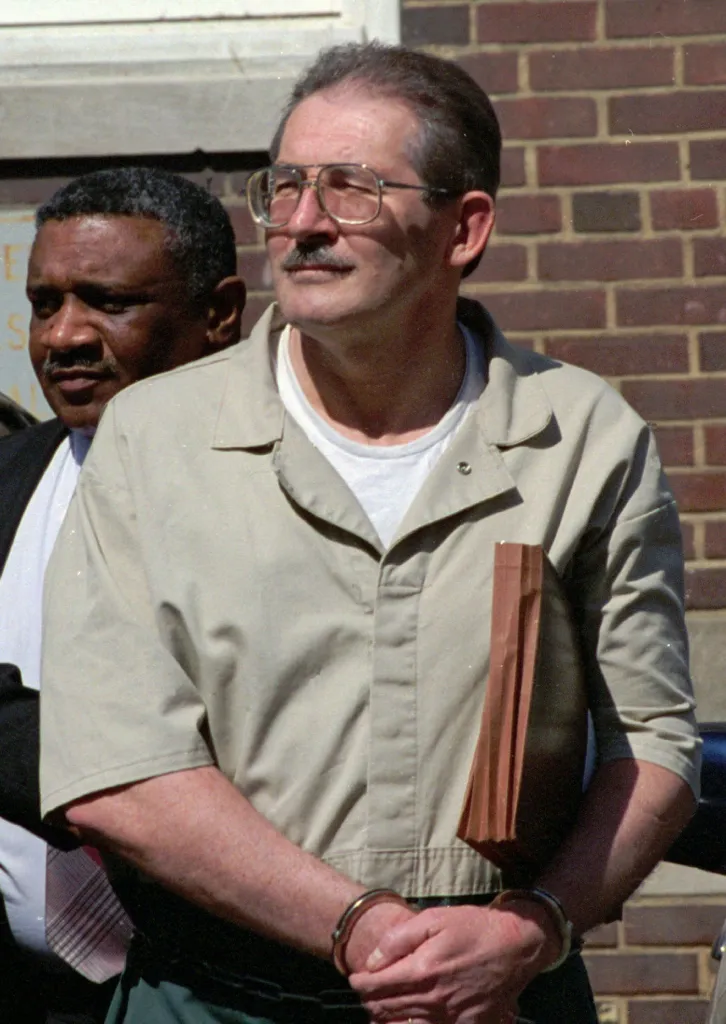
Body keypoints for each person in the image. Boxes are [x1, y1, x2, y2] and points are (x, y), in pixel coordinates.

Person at [39, 43, 700, 1024]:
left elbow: (650, 743)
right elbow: (117, 772)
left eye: (349, 188)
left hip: (500, 995)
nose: (302, 222)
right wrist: (363, 928)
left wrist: (534, 927)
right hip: (220, 999)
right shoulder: (155, 437)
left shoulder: (583, 437)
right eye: (288, 187)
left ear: (464, 227)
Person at [0, 165, 245, 1024]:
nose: (63, 336)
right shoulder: (8, 479)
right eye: (43, 303)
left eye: (108, 301)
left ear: (219, 314)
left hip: (216, 993)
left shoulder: (281, 499)